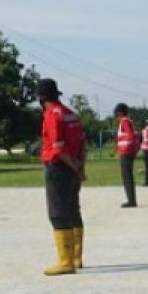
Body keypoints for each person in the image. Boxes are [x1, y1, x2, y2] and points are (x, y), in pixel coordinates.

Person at [38, 78, 87, 275]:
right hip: (74, 168)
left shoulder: (52, 115)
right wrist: (80, 166)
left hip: (59, 168)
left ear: (41, 97)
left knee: (57, 213)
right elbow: (83, 143)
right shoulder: (71, 114)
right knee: (73, 210)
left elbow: (58, 149)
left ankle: (65, 261)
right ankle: (77, 257)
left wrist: (73, 166)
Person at [114, 103, 139, 208]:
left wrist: (129, 148)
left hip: (126, 152)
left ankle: (131, 201)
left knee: (127, 177)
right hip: (126, 152)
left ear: (119, 113)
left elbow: (131, 136)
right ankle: (131, 199)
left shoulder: (124, 122)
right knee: (127, 176)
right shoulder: (127, 122)